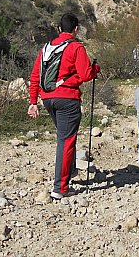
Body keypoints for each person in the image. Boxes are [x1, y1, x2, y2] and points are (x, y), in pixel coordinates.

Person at [28, 13, 100, 199]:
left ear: (59, 29)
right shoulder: (76, 47)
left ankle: (69, 171)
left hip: (48, 99)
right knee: (66, 141)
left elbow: (35, 75)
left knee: (65, 137)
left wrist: (33, 101)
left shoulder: (46, 48)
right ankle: (60, 188)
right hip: (68, 99)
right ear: (75, 29)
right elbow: (85, 75)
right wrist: (95, 69)